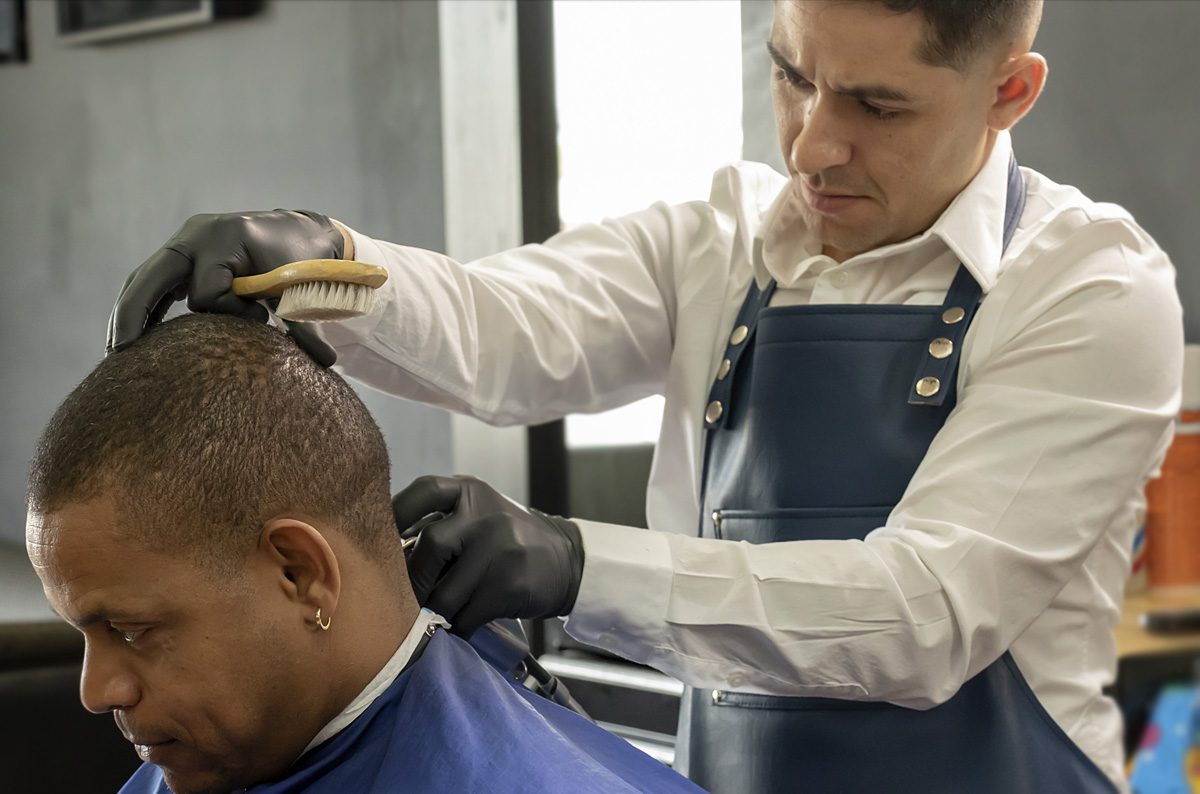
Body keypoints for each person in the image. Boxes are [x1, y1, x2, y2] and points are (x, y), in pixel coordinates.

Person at [106, 1, 1183, 791]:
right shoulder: (720, 240)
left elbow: (921, 610)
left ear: (1009, 91)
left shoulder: (1088, 285)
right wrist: (323, 263)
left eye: (876, 103)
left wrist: (575, 563)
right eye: (792, 74)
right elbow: (498, 327)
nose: (812, 142)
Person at [25, 314, 702, 794]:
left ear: (301, 574)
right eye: (83, 633)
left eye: (132, 631)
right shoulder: (209, 758)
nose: (96, 691)